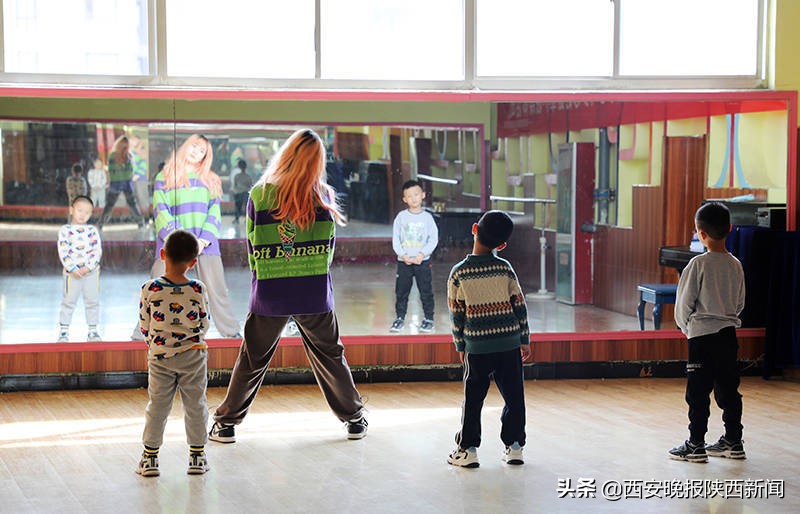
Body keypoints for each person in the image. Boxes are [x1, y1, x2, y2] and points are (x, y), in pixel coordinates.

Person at [209, 128, 367, 443]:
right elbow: (329, 250)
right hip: (313, 290)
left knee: (252, 359)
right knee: (331, 356)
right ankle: (354, 420)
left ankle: (226, 424)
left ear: (286, 154)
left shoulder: (260, 194)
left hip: (271, 290)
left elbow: (252, 246)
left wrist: (263, 281)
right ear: (317, 162)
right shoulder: (324, 195)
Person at [446, 210, 530, 468]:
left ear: (474, 229)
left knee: (473, 399)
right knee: (514, 397)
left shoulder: (459, 273)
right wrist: (524, 338)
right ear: (502, 245)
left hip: (477, 347)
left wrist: (460, 344)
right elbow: (519, 305)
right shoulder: (505, 268)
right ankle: (514, 446)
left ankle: (468, 449)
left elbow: (456, 313)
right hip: (508, 343)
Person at [669, 202, 746, 463]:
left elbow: (684, 303)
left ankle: (696, 444)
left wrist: (686, 328)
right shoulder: (735, 264)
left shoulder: (697, 264)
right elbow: (740, 302)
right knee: (729, 389)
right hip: (727, 335)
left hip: (701, 337)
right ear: (730, 229)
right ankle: (734, 441)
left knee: (698, 392)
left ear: (700, 233)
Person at [142, 134, 240, 338]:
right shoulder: (165, 176)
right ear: (186, 146)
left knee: (217, 290)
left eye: (203, 150)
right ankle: (144, 334)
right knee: (157, 287)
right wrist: (181, 241)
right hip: (171, 244)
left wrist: (202, 241)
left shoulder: (211, 179)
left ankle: (231, 333)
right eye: (195, 146)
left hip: (205, 244)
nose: (197, 152)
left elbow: (215, 213)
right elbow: (161, 211)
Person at [136, 230, 211, 477]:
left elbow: (144, 323)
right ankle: (197, 456)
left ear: (162, 255)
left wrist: (157, 342)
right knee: (195, 404)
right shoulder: (197, 289)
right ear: (193, 262)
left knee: (157, 405)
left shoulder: (149, 288)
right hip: (193, 356)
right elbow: (204, 323)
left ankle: (150, 458)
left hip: (160, 357)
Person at [389, 179, 439, 333]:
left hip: (422, 262)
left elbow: (433, 238)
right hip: (404, 262)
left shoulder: (427, 218)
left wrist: (422, 254)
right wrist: (403, 255)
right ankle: (399, 319)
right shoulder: (401, 217)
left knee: (426, 290)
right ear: (404, 199)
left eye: (416, 194)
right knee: (401, 291)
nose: (414, 198)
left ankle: (429, 319)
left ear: (423, 195)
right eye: (409, 196)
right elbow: (396, 239)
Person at [57, 195, 102, 342]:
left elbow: (97, 251)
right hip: (72, 274)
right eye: (79, 210)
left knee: (92, 301)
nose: (83, 215)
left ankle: (93, 330)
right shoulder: (65, 230)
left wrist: (88, 268)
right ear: (72, 210)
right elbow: (63, 250)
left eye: (87, 212)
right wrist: (72, 268)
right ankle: (64, 331)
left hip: (91, 274)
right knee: (68, 301)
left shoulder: (92, 231)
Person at [98, 135, 145, 229]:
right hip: (127, 183)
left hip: (115, 183)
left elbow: (111, 171)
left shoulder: (112, 156)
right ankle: (140, 222)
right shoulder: (129, 156)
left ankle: (101, 224)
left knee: (109, 205)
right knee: (132, 204)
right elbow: (132, 171)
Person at [231, 158, 253, 223]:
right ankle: (247, 219)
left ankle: (237, 218)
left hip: (238, 193)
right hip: (246, 193)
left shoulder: (237, 176)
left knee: (238, 206)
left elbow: (234, 185)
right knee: (247, 207)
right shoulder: (248, 176)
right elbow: (250, 185)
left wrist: (234, 192)